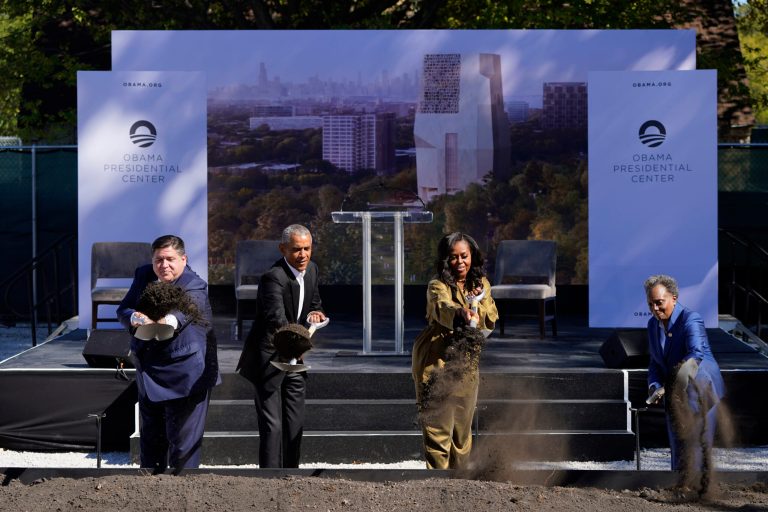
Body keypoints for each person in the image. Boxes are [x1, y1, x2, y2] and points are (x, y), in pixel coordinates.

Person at [117, 234, 220, 473]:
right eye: (158, 260)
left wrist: (166, 321)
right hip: (149, 370)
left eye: (170, 259)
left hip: (186, 374)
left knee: (183, 448)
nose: (164, 265)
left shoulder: (194, 283)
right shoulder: (143, 274)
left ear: (183, 259)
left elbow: (187, 310)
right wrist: (134, 316)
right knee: (151, 444)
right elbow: (124, 308)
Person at [236, 224, 326, 468]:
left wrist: (316, 312)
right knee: (272, 426)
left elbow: (314, 301)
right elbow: (277, 319)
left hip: (296, 358)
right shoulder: (272, 277)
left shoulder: (312, 270)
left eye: (307, 249)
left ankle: (291, 476)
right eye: (297, 249)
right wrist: (298, 343)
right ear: (283, 249)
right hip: (268, 359)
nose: (303, 255)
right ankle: (269, 480)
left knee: (294, 424)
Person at [411, 232, 498, 469]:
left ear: (473, 256)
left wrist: (477, 302)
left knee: (462, 437)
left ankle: (460, 490)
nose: (460, 262)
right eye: (453, 257)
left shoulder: (482, 285)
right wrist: (460, 312)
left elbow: (489, 321)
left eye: (464, 256)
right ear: (445, 260)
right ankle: (436, 489)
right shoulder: (437, 285)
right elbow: (442, 308)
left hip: (466, 364)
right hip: (435, 362)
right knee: (438, 436)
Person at [644, 274, 725, 471]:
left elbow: (695, 354)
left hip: (699, 386)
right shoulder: (652, 324)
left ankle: (699, 490)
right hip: (673, 391)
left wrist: (670, 385)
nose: (655, 309)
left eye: (659, 302)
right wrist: (654, 387)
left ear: (674, 298)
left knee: (696, 441)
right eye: (650, 304)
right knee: (677, 440)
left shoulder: (691, 318)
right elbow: (655, 362)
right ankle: (679, 484)